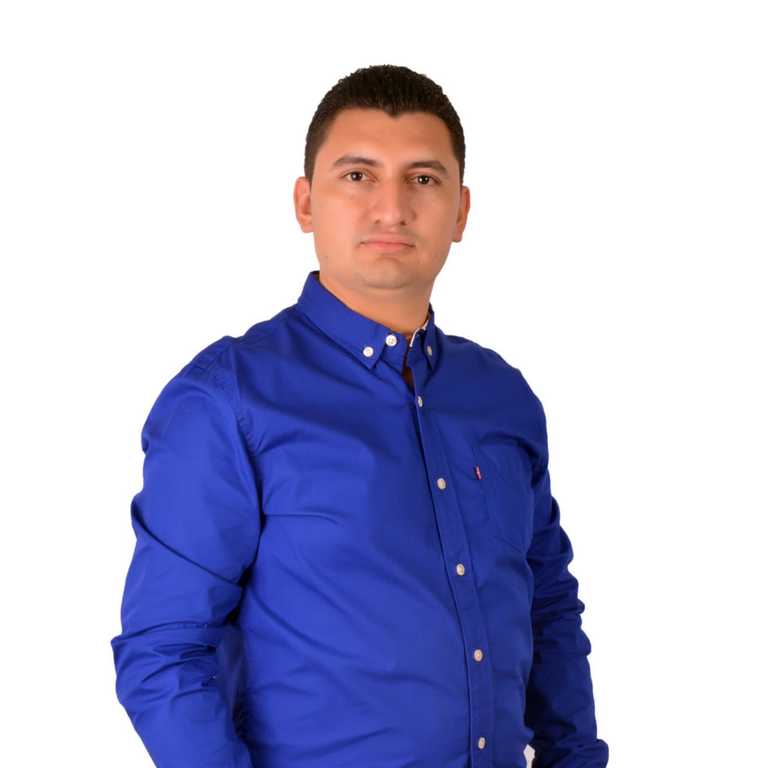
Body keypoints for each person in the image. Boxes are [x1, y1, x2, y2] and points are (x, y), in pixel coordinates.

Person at [110, 63, 609, 768]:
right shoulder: (228, 400)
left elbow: (548, 606)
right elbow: (165, 654)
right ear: (305, 203)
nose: (392, 208)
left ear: (460, 211)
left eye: (423, 178)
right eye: (358, 175)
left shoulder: (501, 396)